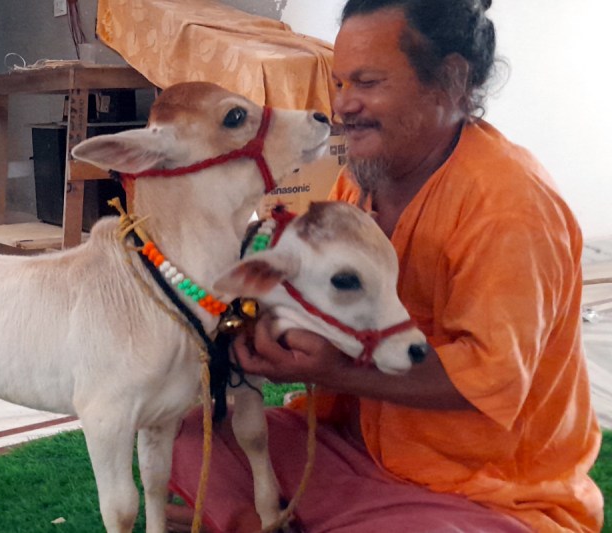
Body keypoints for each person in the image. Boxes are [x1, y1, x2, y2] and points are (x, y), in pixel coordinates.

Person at [166, 0, 604, 531]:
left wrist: (336, 370)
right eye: (340, 83)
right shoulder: (362, 183)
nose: (345, 106)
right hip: (344, 448)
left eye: (368, 83)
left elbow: (491, 380)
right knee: (185, 436)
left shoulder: (509, 206)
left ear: (451, 81)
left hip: (480, 493)